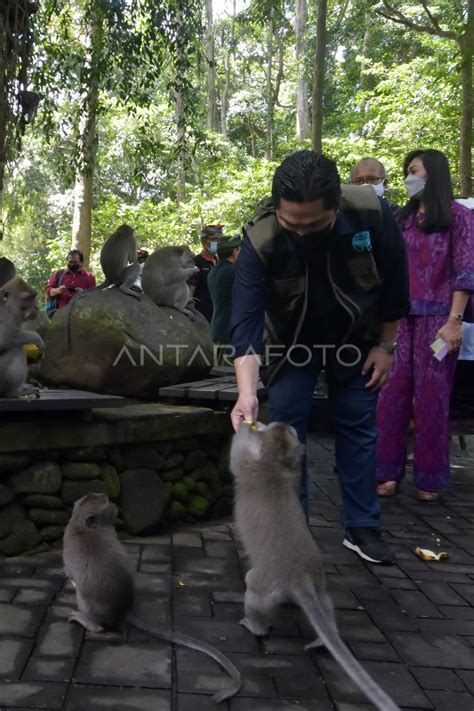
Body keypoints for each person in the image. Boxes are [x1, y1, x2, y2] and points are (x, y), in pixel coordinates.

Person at [229, 150, 409, 565]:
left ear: (336, 206)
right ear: (278, 209)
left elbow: (396, 285)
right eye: (293, 224)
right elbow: (246, 321)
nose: (303, 233)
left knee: (359, 427)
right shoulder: (262, 237)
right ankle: (295, 532)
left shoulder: (371, 214)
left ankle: (362, 527)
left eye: (316, 224)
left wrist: (386, 347)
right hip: (292, 345)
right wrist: (246, 394)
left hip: (358, 340)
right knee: (287, 434)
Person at [376, 149, 474, 502]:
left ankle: (429, 478)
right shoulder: (400, 219)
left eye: (413, 170)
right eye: (406, 171)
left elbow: (465, 271)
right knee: (391, 394)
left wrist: (454, 322)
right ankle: (385, 472)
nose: (407, 177)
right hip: (400, 320)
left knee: (431, 399)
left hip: (439, 320)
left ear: (432, 174)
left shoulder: (458, 216)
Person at [208, 235, 241, 365]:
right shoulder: (232, 271)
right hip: (229, 332)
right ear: (234, 251)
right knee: (230, 377)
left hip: (218, 329)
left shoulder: (214, 271)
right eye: (240, 249)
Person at [188, 225, 223, 321]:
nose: (216, 243)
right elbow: (190, 292)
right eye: (213, 239)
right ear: (203, 242)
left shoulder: (221, 261)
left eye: (218, 240)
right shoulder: (196, 262)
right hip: (203, 315)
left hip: (219, 314)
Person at [45, 249, 96, 314]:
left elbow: (94, 297)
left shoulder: (89, 277)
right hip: (59, 314)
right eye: (70, 262)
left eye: (75, 262)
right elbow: (48, 291)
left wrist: (83, 293)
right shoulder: (59, 274)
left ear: (81, 263)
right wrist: (58, 290)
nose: (72, 264)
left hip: (81, 314)